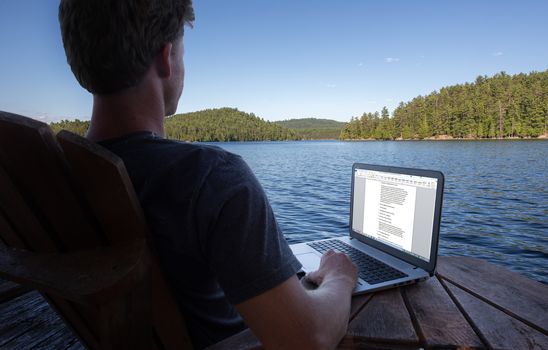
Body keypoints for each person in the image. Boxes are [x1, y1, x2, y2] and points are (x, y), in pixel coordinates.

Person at [59, 1, 357, 349]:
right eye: (183, 52)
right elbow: (309, 339)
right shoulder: (211, 177)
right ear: (166, 57)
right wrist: (340, 276)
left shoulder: (60, 168)